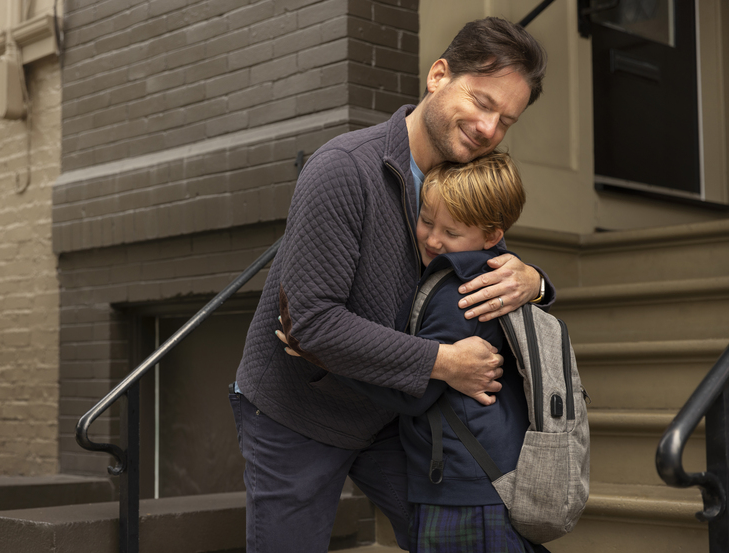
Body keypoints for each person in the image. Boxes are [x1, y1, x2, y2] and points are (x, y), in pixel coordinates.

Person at [230, 17, 550, 552]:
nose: (489, 128)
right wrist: (447, 363)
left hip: (390, 412)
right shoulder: (343, 169)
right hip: (297, 411)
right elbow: (312, 323)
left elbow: (486, 258)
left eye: (506, 120)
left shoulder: (462, 178)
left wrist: (537, 281)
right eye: (482, 102)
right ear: (438, 75)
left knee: (469, 537)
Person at [337, 152, 547, 553]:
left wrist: (333, 357)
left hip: (464, 483)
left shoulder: (460, 295)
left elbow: (412, 391)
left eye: (451, 232)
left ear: (492, 236)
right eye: (427, 221)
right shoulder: (486, 272)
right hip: (484, 470)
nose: (433, 239)